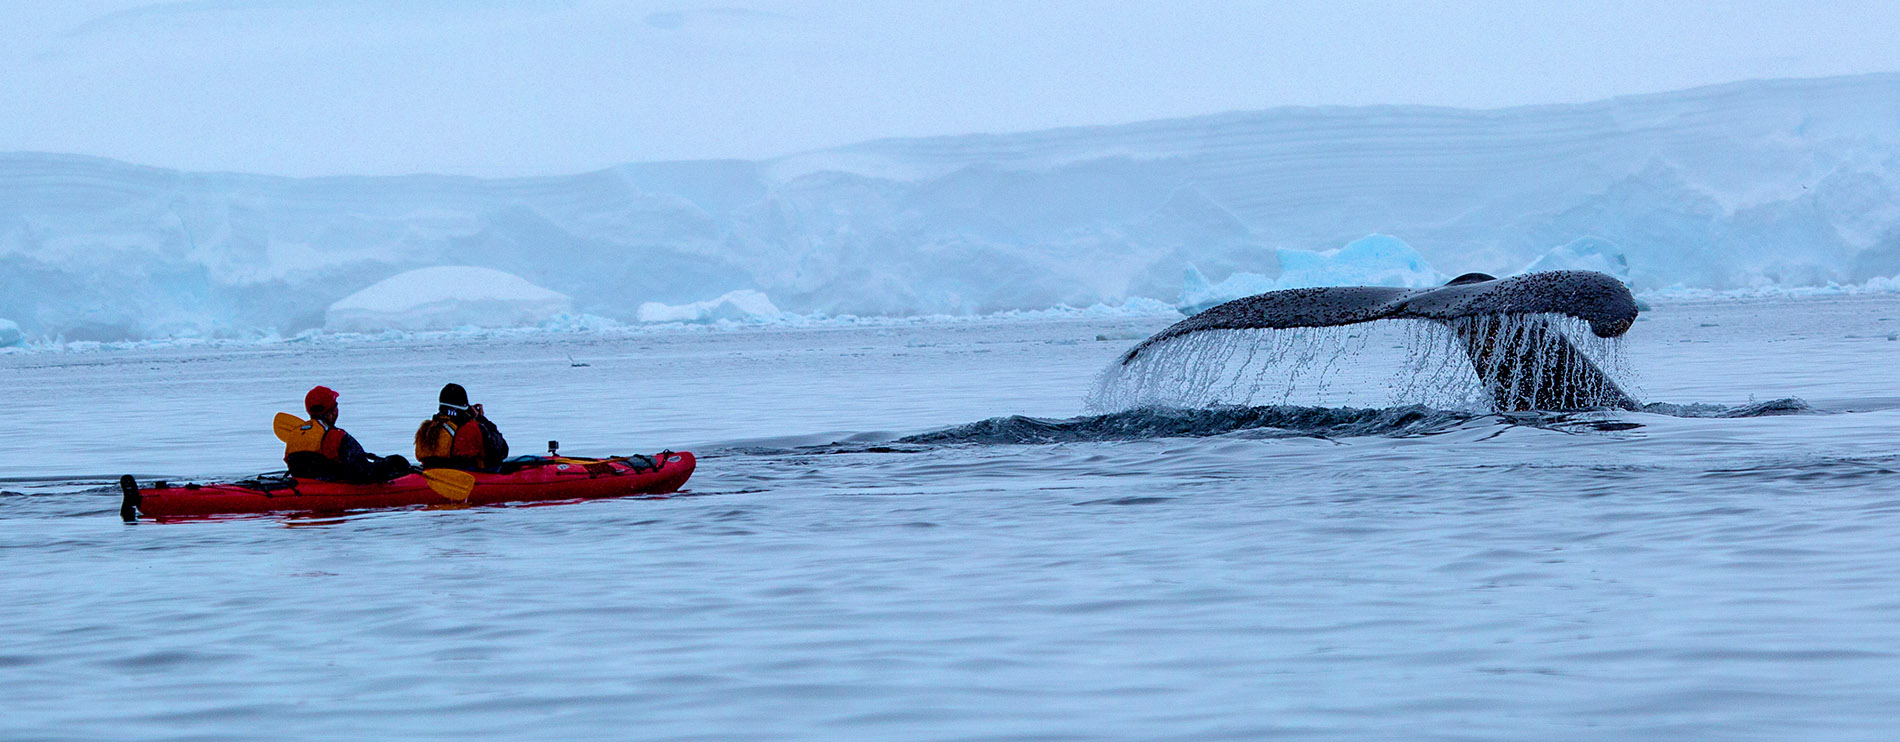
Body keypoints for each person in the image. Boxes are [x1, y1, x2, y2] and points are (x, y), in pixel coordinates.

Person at [283, 385, 413, 482]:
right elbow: (363, 473)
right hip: (334, 489)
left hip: (305, 486)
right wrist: (391, 465)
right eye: (336, 406)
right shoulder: (336, 437)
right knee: (396, 462)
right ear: (332, 411)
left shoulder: (295, 434)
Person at [414, 383, 509, 470]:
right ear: (465, 407)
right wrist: (481, 419)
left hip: (432, 474)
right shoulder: (471, 428)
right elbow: (502, 451)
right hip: (468, 477)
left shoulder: (426, 429)